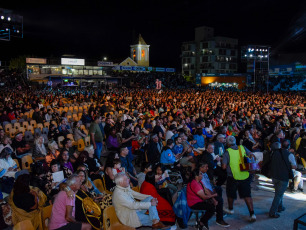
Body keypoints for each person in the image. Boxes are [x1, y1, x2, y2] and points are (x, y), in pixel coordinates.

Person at [222, 136, 256, 222]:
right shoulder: (242, 147)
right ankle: (252, 214)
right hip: (244, 175)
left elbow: (224, 166)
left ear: (227, 143)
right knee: (247, 196)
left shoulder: (227, 152)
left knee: (230, 194)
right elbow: (251, 154)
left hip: (232, 177)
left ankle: (230, 209)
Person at [269, 141, 297, 218]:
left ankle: (280, 207)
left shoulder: (275, 153)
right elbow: (294, 166)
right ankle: (272, 212)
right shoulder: (290, 155)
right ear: (289, 147)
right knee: (278, 195)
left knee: (278, 192)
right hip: (283, 177)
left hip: (274, 176)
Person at [198, 162, 230, 227]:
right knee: (219, 199)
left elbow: (209, 184)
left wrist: (213, 188)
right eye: (205, 167)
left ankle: (217, 209)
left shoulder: (204, 173)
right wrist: (213, 195)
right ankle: (219, 219)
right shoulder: (199, 176)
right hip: (204, 193)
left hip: (209, 189)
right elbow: (204, 189)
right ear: (200, 168)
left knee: (219, 189)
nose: (207, 168)